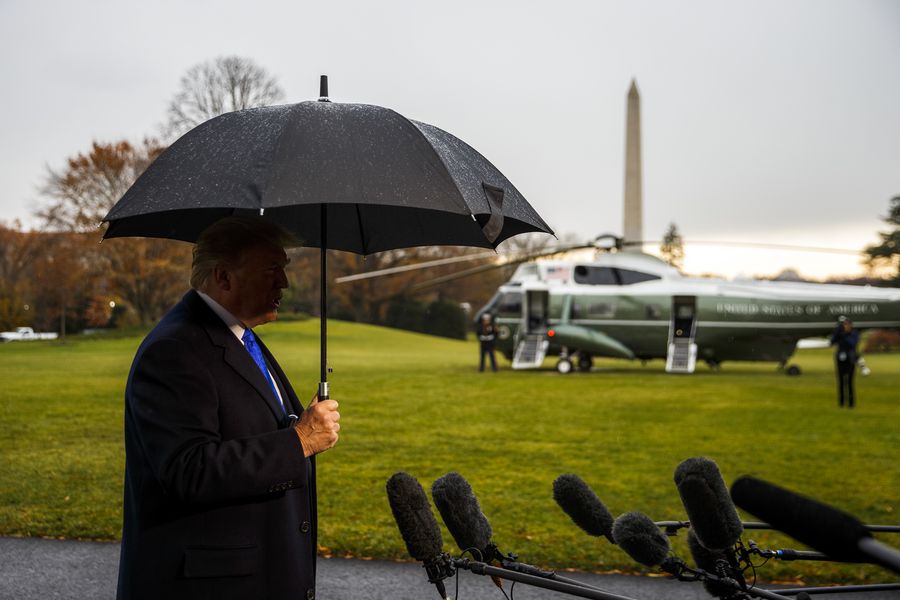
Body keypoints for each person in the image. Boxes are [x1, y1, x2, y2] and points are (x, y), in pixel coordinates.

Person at [116, 217, 341, 600]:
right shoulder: (174, 350)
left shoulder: (240, 336)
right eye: (272, 269)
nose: (283, 282)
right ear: (224, 277)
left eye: (283, 268)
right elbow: (189, 470)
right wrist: (298, 440)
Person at [830, 316, 860, 408]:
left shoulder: (854, 334)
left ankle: (851, 403)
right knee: (841, 381)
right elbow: (832, 342)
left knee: (850, 382)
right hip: (840, 358)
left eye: (847, 324)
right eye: (844, 325)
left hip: (850, 359)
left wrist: (845, 335)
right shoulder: (839, 334)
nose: (846, 327)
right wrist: (837, 333)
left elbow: (852, 343)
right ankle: (841, 402)